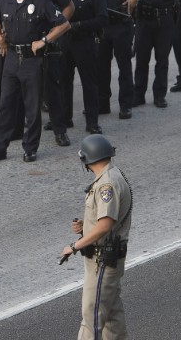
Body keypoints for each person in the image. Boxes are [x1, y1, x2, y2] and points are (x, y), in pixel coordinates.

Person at [0, 0, 70, 163]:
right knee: (5, 105)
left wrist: (44, 40)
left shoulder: (40, 1)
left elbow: (64, 24)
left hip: (33, 61)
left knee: (32, 106)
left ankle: (30, 148)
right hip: (12, 58)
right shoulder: (4, 0)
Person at [59, 134, 132, 339]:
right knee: (111, 316)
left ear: (86, 160)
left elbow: (105, 224)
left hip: (102, 262)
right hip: (107, 257)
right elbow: (106, 222)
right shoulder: (112, 175)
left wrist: (75, 246)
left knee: (91, 319)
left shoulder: (106, 184)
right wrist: (85, 228)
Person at [92, 0, 155, 120]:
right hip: (103, 27)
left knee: (124, 67)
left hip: (121, 26)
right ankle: (102, 103)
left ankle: (125, 105)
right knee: (101, 67)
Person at [59, 0, 108, 135]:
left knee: (89, 82)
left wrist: (79, 25)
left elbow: (102, 19)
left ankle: (92, 122)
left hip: (85, 42)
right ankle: (65, 117)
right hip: (65, 42)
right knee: (64, 80)